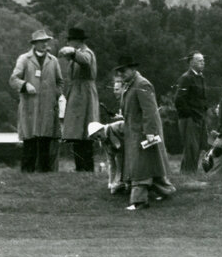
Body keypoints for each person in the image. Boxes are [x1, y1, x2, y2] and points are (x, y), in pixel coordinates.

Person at [114, 56, 175, 210]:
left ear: (133, 69)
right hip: (134, 131)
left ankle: (139, 201)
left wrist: (150, 132)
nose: (121, 74)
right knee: (151, 164)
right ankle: (166, 191)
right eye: (119, 71)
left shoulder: (142, 84)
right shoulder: (130, 84)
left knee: (140, 167)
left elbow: (150, 111)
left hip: (142, 133)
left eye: (124, 70)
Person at [9, 29, 64, 173]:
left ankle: (44, 174)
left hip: (47, 107)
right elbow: (13, 79)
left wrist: (54, 95)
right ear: (34, 44)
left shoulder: (53, 61)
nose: (45, 44)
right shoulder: (24, 59)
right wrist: (25, 85)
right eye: (41, 42)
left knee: (45, 140)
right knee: (30, 141)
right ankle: (27, 174)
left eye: (46, 41)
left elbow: (60, 82)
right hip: (30, 106)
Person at [59, 27, 100, 172]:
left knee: (85, 134)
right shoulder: (77, 54)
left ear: (76, 42)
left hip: (85, 95)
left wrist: (73, 52)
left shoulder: (86, 53)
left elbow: (85, 61)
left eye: (70, 41)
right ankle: (80, 168)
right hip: (77, 94)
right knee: (77, 134)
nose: (68, 43)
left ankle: (86, 168)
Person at [174, 52, 208, 174]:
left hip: (199, 117)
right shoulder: (186, 78)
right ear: (191, 62)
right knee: (191, 147)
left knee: (197, 147)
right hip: (189, 118)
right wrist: (190, 114)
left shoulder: (201, 77)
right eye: (199, 60)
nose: (203, 63)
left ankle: (190, 173)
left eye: (203, 60)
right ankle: (187, 174)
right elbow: (179, 100)